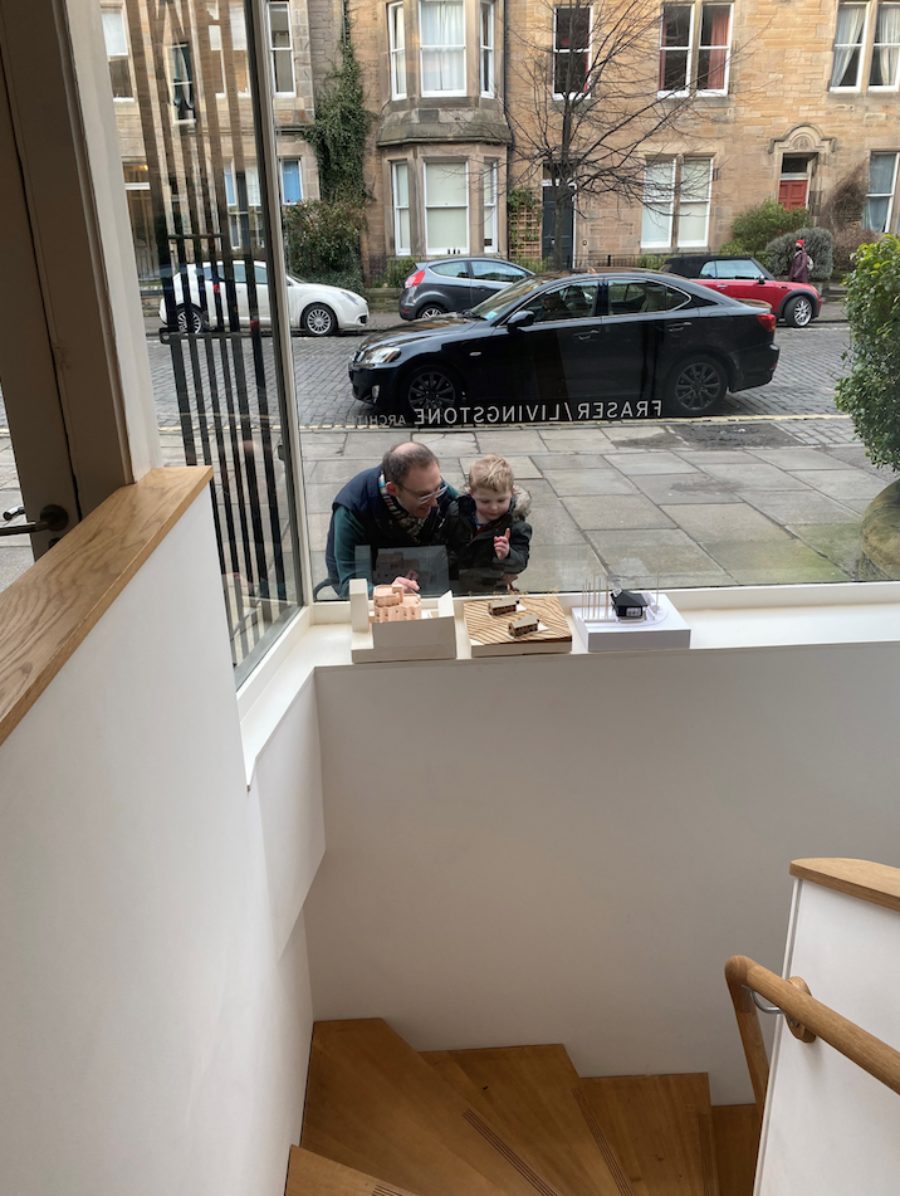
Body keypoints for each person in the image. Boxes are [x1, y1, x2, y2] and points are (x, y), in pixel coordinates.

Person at [324, 442, 457, 598]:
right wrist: (388, 592)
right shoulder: (352, 511)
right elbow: (350, 586)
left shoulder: (430, 488)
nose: (435, 502)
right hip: (374, 585)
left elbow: (466, 509)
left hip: (419, 575)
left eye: (439, 488)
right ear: (392, 489)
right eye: (424, 496)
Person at [442, 455, 532, 594]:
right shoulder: (456, 512)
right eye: (485, 501)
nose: (494, 507)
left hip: (492, 588)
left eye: (501, 500)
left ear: (512, 493)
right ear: (472, 494)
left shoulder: (516, 525)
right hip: (455, 584)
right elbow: (441, 542)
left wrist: (507, 554)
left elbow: (520, 563)